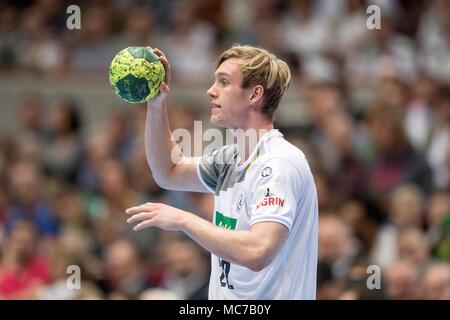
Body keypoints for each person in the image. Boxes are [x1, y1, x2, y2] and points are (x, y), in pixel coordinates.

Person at [125, 44, 319, 299]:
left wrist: (184, 221)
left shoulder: (279, 163)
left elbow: (257, 251)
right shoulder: (230, 159)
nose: (210, 91)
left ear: (254, 95)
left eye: (224, 82)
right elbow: (168, 171)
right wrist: (156, 103)